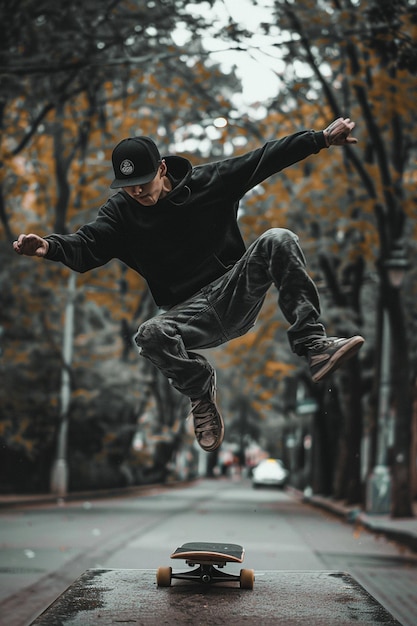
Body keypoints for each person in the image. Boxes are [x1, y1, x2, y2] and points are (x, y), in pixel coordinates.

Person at [13, 117, 364, 453]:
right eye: (127, 187)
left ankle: (313, 345)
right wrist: (48, 247)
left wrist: (319, 139)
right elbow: (87, 245)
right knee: (150, 334)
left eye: (144, 182)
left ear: (162, 169)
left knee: (278, 238)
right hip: (187, 315)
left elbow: (263, 158)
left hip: (233, 291)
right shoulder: (120, 213)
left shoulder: (209, 181)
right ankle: (200, 391)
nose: (137, 191)